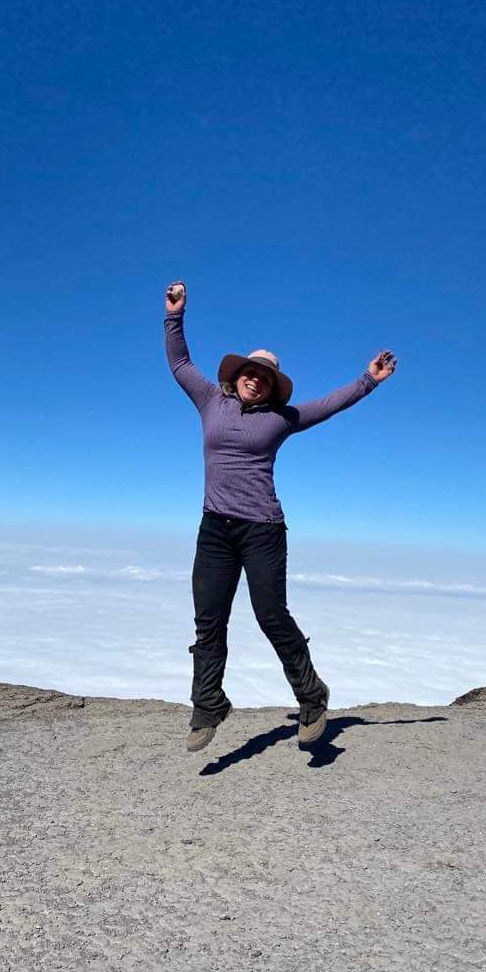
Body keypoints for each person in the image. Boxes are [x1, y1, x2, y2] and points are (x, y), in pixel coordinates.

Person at [164, 280, 397, 752]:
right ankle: (208, 704)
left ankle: (312, 697)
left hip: (262, 531)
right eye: (250, 371)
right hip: (214, 529)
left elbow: (329, 405)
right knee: (209, 619)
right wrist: (174, 315)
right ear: (238, 375)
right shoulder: (211, 400)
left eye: (264, 375)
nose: (255, 378)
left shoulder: (282, 418)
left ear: (272, 386)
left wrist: (368, 380)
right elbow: (180, 363)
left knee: (271, 614)